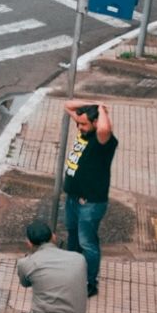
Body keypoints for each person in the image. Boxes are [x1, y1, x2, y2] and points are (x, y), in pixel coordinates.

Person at [61, 100, 117, 298]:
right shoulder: (86, 129)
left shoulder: (103, 140)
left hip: (90, 203)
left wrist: (101, 109)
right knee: (73, 237)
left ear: (95, 122)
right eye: (79, 124)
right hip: (73, 199)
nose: (79, 126)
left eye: (84, 124)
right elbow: (68, 105)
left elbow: (104, 127)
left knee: (88, 243)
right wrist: (94, 103)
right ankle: (70, 273)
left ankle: (89, 282)